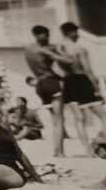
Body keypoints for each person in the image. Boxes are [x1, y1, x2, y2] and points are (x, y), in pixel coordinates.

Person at [59, 22, 106, 154]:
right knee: (105, 117)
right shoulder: (79, 49)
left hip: (68, 82)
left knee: (79, 119)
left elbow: (57, 68)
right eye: (76, 32)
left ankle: (88, 151)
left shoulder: (59, 49)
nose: (78, 35)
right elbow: (88, 70)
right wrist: (97, 88)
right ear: (70, 32)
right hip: (81, 81)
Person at [24, 25, 76, 157]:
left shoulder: (28, 49)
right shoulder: (45, 50)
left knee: (54, 120)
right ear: (42, 35)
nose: (47, 38)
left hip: (40, 84)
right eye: (46, 35)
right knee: (59, 120)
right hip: (51, 83)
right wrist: (59, 50)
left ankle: (56, 150)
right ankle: (60, 152)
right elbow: (69, 61)